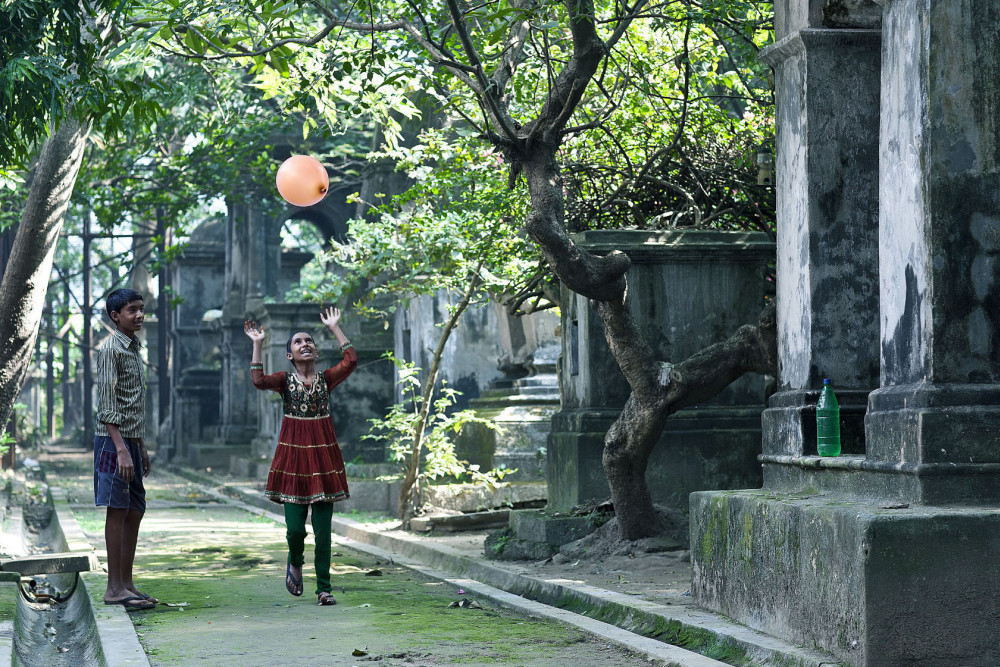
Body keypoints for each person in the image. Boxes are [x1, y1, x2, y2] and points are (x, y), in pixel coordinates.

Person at [244, 307, 358, 606]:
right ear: (290, 355)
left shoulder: (325, 379)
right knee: (295, 530)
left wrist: (335, 328)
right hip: (293, 461)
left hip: (323, 460)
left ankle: (324, 588)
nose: (305, 344)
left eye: (309, 341)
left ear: (316, 351)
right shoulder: (284, 380)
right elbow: (257, 380)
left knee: (323, 531)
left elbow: (351, 361)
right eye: (298, 342)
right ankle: (295, 560)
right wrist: (257, 343)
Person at [94, 288, 156, 610]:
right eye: (132, 310)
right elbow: (107, 405)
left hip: (130, 440)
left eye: (141, 309)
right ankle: (113, 587)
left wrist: (139, 445)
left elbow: (132, 402)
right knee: (117, 510)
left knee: (135, 509)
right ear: (116, 316)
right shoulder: (111, 350)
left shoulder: (133, 348)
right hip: (111, 442)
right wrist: (120, 448)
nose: (139, 315)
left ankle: (127, 583)